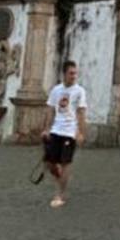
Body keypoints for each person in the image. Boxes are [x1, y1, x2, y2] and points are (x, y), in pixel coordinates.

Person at [42, 60, 87, 208]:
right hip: (56, 130)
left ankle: (60, 194)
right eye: (71, 73)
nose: (74, 76)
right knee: (49, 162)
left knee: (66, 162)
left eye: (75, 73)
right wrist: (47, 128)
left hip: (69, 132)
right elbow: (50, 110)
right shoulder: (56, 90)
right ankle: (59, 176)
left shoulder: (79, 91)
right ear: (64, 74)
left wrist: (80, 132)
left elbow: (81, 112)